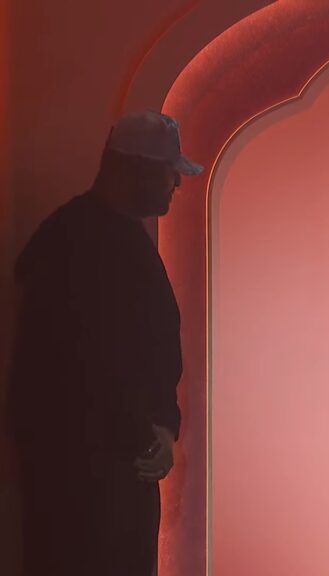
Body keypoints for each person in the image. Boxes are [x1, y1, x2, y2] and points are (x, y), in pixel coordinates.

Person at [9, 111, 202, 575]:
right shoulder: (81, 244)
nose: (175, 184)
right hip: (93, 482)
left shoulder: (95, 235)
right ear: (129, 169)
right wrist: (146, 433)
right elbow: (86, 365)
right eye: (166, 171)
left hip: (111, 471)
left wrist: (159, 427)